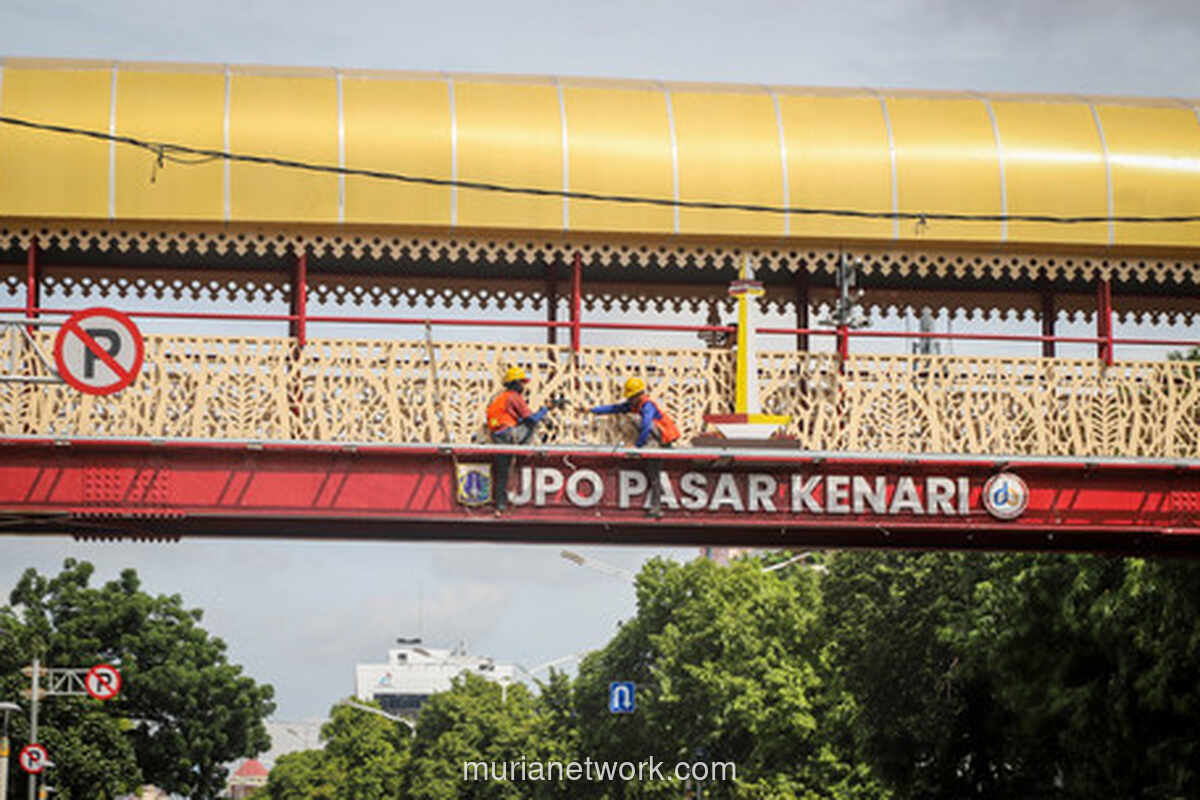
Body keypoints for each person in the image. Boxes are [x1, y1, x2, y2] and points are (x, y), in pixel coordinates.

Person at [582, 377, 680, 516]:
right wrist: (592, 410)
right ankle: (656, 507)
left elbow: (646, 425)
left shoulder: (647, 405)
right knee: (653, 474)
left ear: (638, 395)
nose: (629, 400)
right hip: (652, 440)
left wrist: (638, 446)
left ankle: (657, 507)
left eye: (631, 397)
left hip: (660, 440)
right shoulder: (635, 404)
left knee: (654, 473)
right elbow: (614, 408)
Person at [486, 366, 553, 512]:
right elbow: (532, 419)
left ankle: (500, 504)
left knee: (502, 472)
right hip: (509, 436)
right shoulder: (514, 397)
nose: (523, 386)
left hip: (498, 438)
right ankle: (526, 451)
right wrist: (545, 410)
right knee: (531, 425)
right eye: (522, 382)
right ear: (515, 383)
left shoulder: (500, 398)